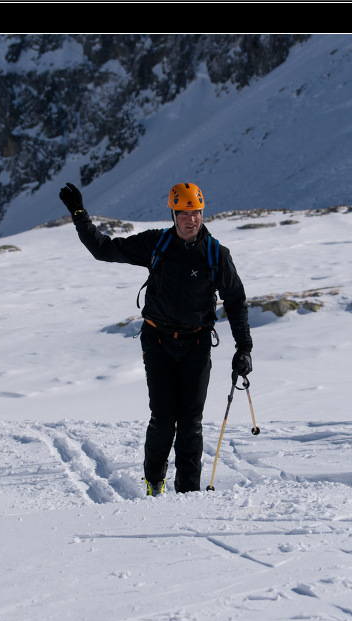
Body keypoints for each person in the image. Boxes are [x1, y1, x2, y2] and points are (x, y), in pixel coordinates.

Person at [59, 181, 253, 496]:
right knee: (163, 420)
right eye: (185, 213)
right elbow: (104, 250)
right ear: (174, 213)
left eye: (197, 212)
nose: (192, 220)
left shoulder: (216, 254)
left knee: (191, 424)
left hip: (197, 344)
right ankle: (154, 483)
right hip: (158, 341)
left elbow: (235, 302)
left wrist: (244, 348)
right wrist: (79, 214)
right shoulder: (156, 244)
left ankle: (188, 494)